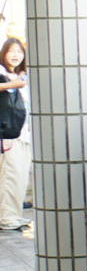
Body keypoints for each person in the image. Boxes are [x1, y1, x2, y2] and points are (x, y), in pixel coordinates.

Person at [0, 37, 29, 231]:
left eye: (19, 51)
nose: (16, 54)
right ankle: (8, 218)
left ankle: (14, 215)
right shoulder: (4, 74)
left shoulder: (19, 75)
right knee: (11, 174)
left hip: (22, 133)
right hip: (8, 135)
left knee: (20, 176)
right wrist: (13, 84)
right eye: (11, 50)